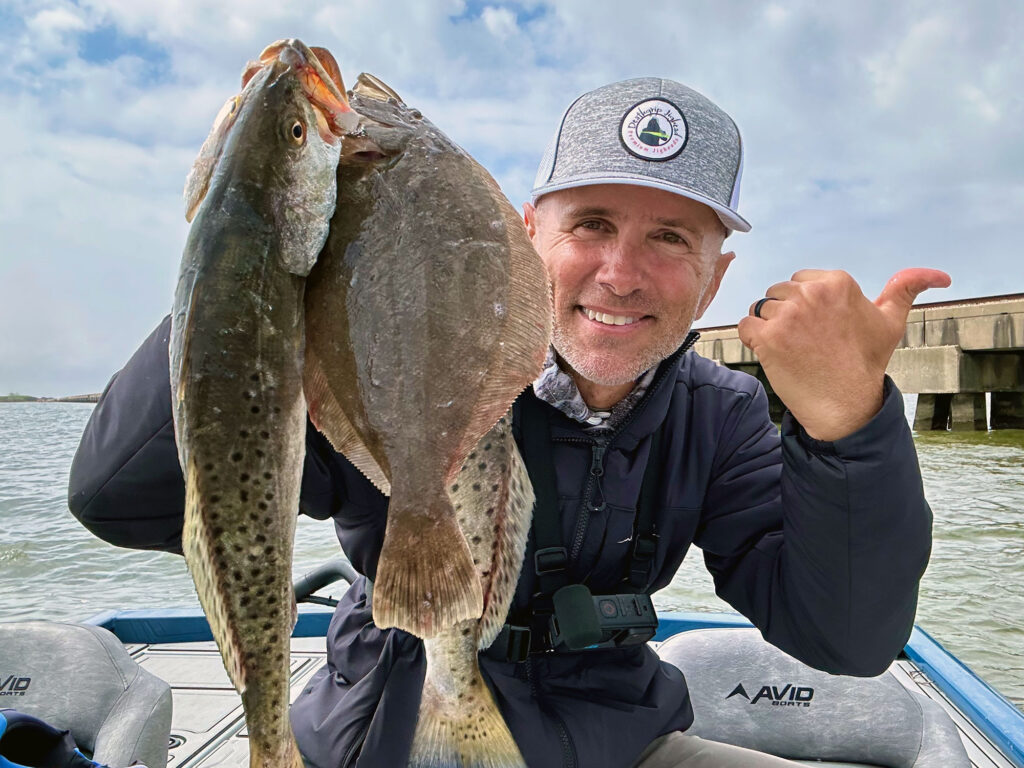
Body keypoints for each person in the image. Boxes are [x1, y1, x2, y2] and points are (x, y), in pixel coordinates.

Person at [68, 77, 948, 767]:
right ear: (527, 234)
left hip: (622, 746)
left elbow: (849, 637)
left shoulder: (725, 417)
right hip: (378, 743)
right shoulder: (385, 360)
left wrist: (848, 426)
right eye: (591, 224)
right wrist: (253, 249)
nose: (620, 272)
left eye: (672, 239)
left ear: (715, 280)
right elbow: (121, 498)